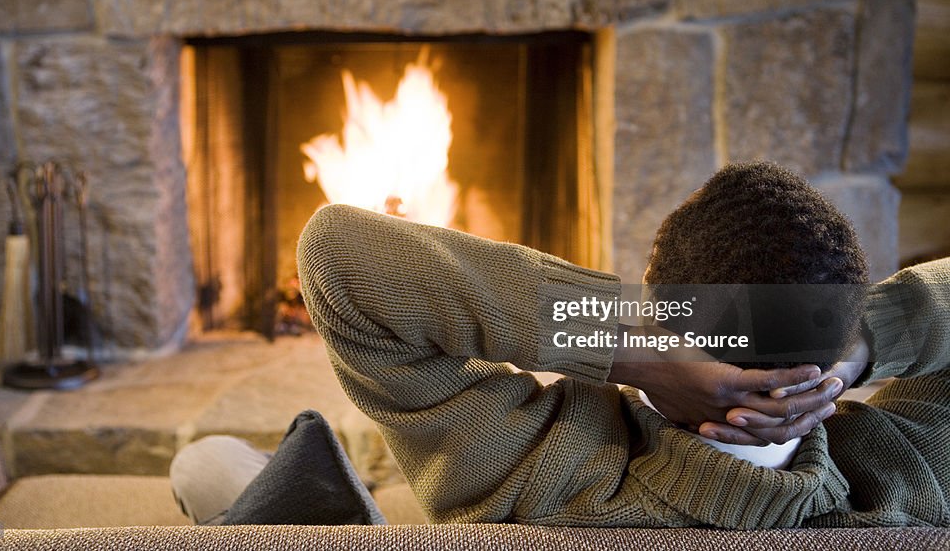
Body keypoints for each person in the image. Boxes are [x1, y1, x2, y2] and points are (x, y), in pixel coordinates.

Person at [294, 161, 949, 528]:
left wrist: (629, 349)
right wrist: (867, 339)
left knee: (212, 465)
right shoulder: (909, 478)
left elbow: (338, 252)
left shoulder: (524, 471)